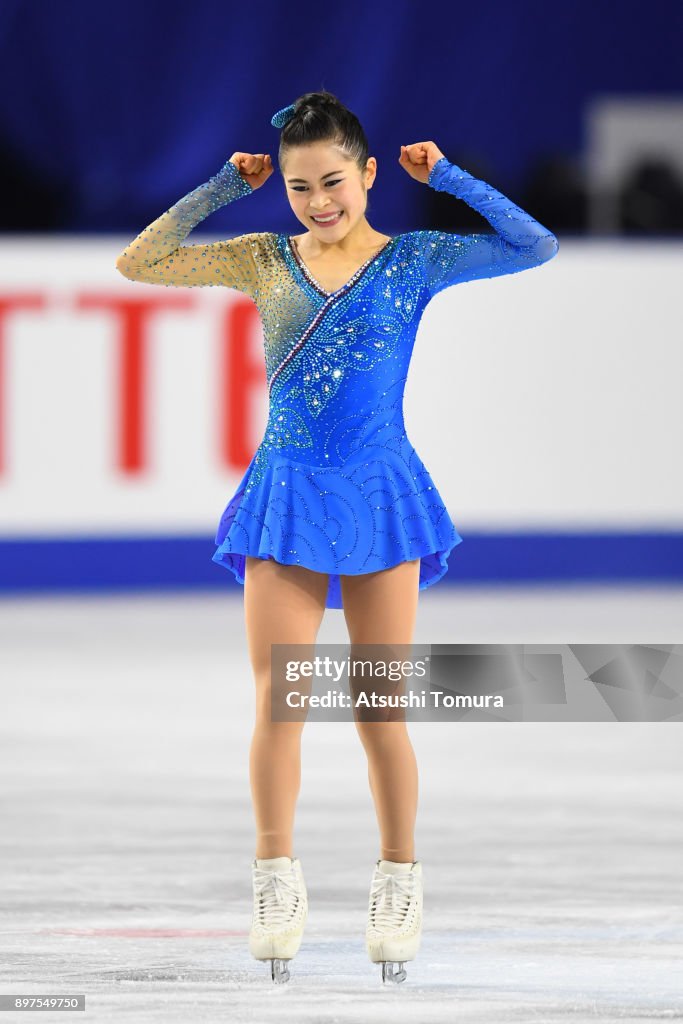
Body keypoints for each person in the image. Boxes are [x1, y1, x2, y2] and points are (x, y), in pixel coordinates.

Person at [115, 90, 559, 985]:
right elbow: (140, 261)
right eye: (296, 186)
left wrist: (451, 179)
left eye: (332, 181)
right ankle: (275, 876)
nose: (318, 201)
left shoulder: (414, 260)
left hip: (379, 496)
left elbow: (534, 245)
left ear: (365, 173)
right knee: (278, 701)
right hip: (286, 494)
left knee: (376, 706)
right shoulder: (260, 258)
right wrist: (216, 188)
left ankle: (398, 876)